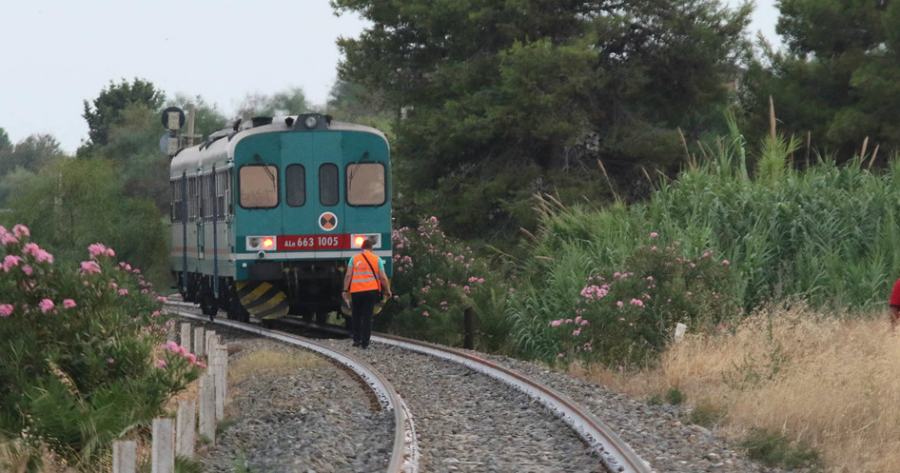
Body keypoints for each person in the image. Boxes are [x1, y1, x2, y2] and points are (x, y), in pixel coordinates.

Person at [342, 239, 391, 348]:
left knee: (356, 316)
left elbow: (348, 275)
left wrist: (345, 290)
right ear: (371, 248)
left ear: (362, 248)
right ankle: (365, 343)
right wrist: (387, 290)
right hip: (371, 292)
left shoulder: (353, 259)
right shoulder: (377, 259)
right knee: (367, 317)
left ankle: (356, 340)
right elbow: (383, 277)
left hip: (356, 291)